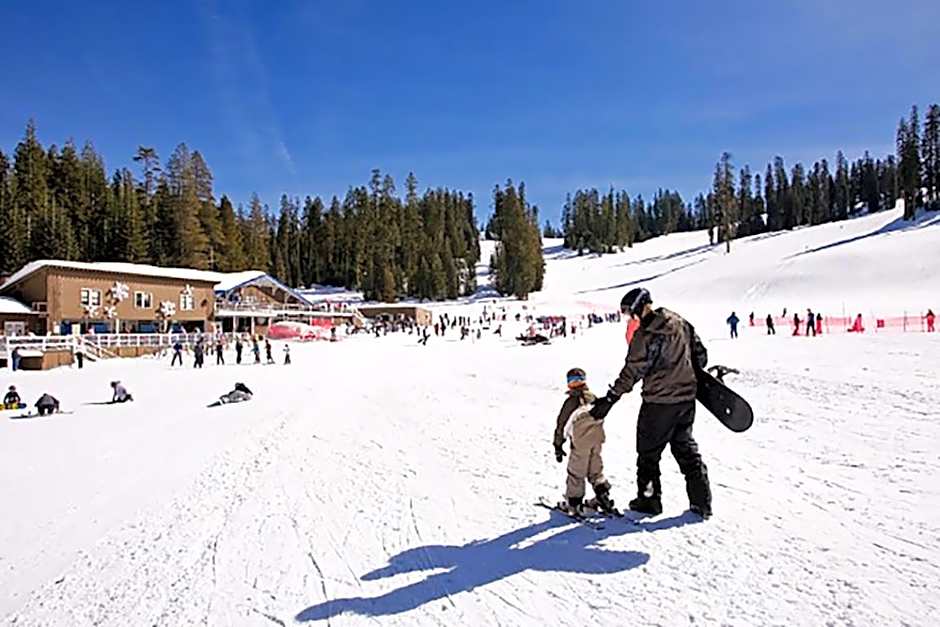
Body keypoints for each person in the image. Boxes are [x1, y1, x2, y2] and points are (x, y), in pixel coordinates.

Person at [590, 287, 712, 519]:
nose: (630, 316)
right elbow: (701, 355)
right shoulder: (679, 322)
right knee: (685, 448)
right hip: (686, 400)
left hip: (658, 403)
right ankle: (702, 502)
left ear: (639, 305)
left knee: (648, 454)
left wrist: (611, 398)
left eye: (629, 311)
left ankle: (649, 501)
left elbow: (632, 371)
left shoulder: (646, 335)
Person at [552, 368, 615, 515]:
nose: (575, 384)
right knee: (595, 469)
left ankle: (574, 503)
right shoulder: (593, 398)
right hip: (596, 440)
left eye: (577, 381)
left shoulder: (571, 402)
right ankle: (602, 495)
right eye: (572, 381)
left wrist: (558, 444)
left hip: (580, 443)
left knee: (576, 472)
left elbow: (562, 424)